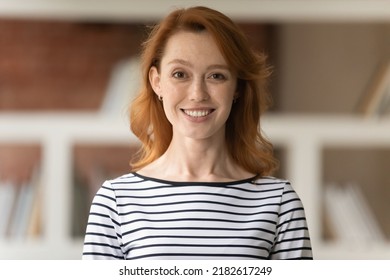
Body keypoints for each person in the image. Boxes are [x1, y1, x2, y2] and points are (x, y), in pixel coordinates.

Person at [82, 6, 313, 260]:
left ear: (237, 87)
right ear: (156, 82)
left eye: (216, 75)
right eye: (180, 74)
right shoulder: (115, 202)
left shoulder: (279, 203)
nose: (197, 94)